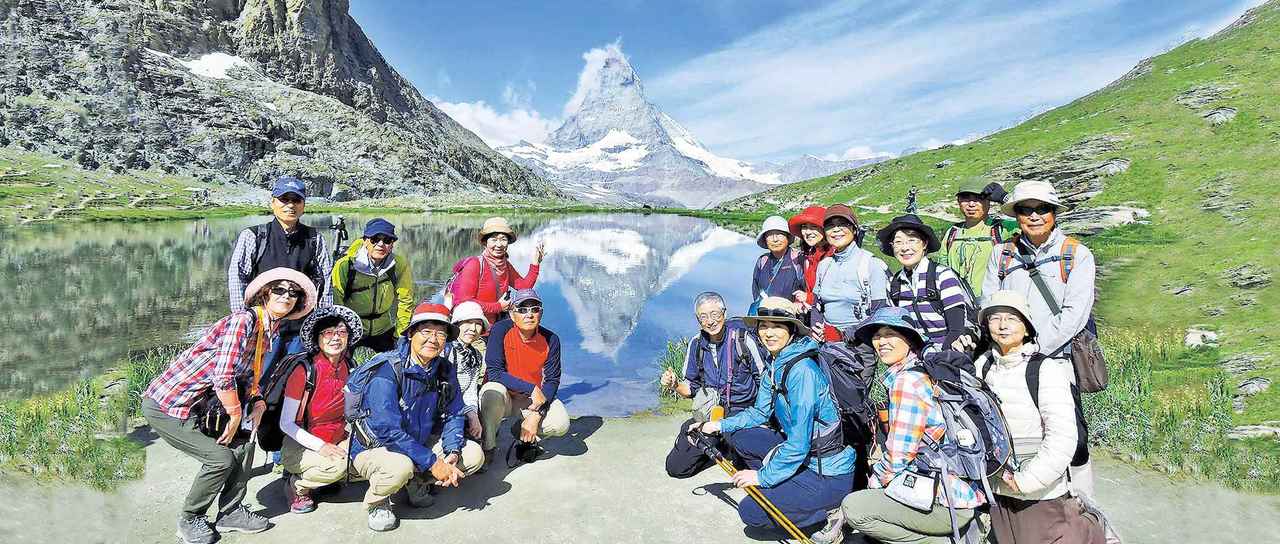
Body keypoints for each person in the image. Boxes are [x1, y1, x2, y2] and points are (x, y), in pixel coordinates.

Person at [143, 267, 317, 544]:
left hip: (204, 405)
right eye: (280, 290)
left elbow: (247, 375)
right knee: (219, 459)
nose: (287, 296)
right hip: (171, 405)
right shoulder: (243, 322)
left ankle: (231, 511)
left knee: (246, 442)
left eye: (293, 293)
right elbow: (223, 375)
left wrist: (257, 400)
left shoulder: (268, 328)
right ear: (265, 294)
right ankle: (190, 518)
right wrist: (236, 413)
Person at [698, 297, 855, 538]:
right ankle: (787, 489)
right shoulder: (777, 362)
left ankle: (831, 511)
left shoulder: (802, 372)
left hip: (827, 472)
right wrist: (718, 425)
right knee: (740, 436)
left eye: (777, 326)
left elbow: (800, 444)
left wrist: (762, 476)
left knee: (751, 511)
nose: (768, 333)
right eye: (763, 325)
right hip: (804, 458)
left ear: (791, 329)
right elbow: (760, 412)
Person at [839, 307, 985, 544]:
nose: (881, 342)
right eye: (877, 336)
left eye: (890, 334)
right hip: (955, 490)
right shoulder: (922, 372)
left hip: (945, 501)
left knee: (855, 508)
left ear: (909, 339)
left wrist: (874, 485)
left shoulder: (907, 382)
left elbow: (899, 455)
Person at [974, 291, 1104, 543]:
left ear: (1026, 327)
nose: (1002, 325)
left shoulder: (1046, 370)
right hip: (998, 492)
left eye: (1011, 318)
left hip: (1040, 496)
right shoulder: (982, 367)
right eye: (995, 318)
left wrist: (1027, 480)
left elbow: (1063, 436)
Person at [348, 302, 485, 532]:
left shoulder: (443, 369)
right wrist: (432, 462)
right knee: (400, 467)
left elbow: (454, 412)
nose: (433, 339)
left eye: (441, 334)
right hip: (376, 447)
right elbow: (387, 431)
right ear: (411, 333)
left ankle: (416, 481)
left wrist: (451, 451)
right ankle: (378, 501)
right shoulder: (388, 370)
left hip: (416, 442)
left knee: (472, 455)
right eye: (426, 331)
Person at [227, 175, 332, 376]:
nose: (290, 205)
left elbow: (325, 280)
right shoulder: (254, 236)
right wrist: (243, 323)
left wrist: (323, 324)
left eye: (296, 200)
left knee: (295, 381)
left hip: (301, 329)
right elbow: (237, 278)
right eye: (284, 199)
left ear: (303, 205)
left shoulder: (314, 238)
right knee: (258, 381)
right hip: (262, 329)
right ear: (273, 203)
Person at [981, 180, 1096, 359]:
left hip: (1057, 360)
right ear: (1017, 216)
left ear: (1054, 213)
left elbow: (1074, 314)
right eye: (1025, 210)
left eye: (1042, 209)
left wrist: (1035, 350)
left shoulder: (1078, 255)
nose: (1034, 216)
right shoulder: (1001, 253)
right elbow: (989, 303)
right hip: (1005, 359)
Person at [660, 291, 767, 478]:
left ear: (724, 313)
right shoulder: (696, 344)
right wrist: (674, 384)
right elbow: (690, 389)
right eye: (704, 317)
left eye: (715, 314)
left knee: (748, 463)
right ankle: (722, 447)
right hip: (710, 414)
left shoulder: (743, 340)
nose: (710, 321)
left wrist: (763, 418)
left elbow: (764, 383)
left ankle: (734, 447)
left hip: (741, 413)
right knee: (676, 468)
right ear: (697, 319)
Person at [278, 305, 364, 514]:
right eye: (328, 332)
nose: (335, 338)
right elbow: (286, 423)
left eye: (342, 332)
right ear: (317, 338)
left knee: (366, 458)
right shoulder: (304, 372)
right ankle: (297, 485)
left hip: (337, 436)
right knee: (342, 467)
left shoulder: (349, 365)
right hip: (302, 443)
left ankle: (323, 476)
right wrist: (321, 447)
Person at [479, 288, 570, 463]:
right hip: (503, 397)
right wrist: (531, 387)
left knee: (561, 424)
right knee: (490, 392)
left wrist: (537, 415)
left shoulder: (551, 339)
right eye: (522, 309)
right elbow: (494, 372)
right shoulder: (500, 330)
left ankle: (522, 430)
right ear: (512, 314)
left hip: (530, 400)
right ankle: (488, 446)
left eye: (534, 309)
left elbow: (552, 380)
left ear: (541, 313)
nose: (529, 314)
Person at [877, 214, 974, 350]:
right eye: (898, 242)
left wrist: (938, 359)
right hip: (916, 355)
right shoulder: (894, 283)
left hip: (949, 353)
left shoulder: (942, 275)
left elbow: (956, 330)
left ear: (924, 244)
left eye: (912, 240)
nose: (905, 248)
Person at [331, 218, 414, 352]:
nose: (381, 244)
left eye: (387, 240)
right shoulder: (345, 265)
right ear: (365, 241)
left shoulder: (399, 264)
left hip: (383, 328)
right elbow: (336, 301)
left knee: (395, 368)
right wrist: (341, 331)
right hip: (352, 328)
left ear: (392, 244)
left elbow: (406, 300)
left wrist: (400, 334)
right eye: (375, 239)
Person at [813, 204, 890, 341]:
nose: (836, 230)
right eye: (830, 226)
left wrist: (843, 335)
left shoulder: (871, 264)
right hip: (825, 342)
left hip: (860, 344)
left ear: (854, 229)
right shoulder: (824, 265)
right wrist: (817, 328)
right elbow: (816, 305)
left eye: (842, 224)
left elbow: (880, 312)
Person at [449, 216, 546, 324]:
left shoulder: (505, 265)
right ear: (485, 242)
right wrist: (498, 307)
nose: (499, 244)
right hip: (474, 330)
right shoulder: (474, 265)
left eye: (503, 239)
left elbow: (523, 287)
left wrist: (535, 263)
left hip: (496, 325)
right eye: (494, 239)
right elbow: (464, 302)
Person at [940, 177, 1016, 298]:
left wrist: (1005, 199)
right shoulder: (952, 232)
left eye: (979, 198)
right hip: (957, 303)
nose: (971, 204)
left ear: (989, 201)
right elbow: (942, 269)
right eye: (965, 198)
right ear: (958, 201)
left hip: (993, 303)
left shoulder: (1003, 229)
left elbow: (1036, 223)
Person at [447, 301, 489, 446]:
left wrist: (473, 415)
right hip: (442, 410)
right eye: (468, 322)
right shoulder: (445, 349)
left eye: (478, 324)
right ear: (457, 323)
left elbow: (470, 390)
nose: (473, 328)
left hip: (460, 408)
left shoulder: (476, 355)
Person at [751, 215, 806, 304]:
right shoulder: (762, 261)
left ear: (788, 237)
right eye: (770, 235)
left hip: (792, 315)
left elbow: (808, 290)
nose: (775, 239)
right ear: (765, 239)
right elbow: (756, 290)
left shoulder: (798, 259)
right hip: (765, 314)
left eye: (780, 234)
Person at [789, 205, 831, 307]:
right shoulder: (811, 254)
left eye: (814, 227)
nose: (807, 232)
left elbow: (836, 293)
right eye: (804, 227)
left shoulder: (834, 256)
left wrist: (808, 298)